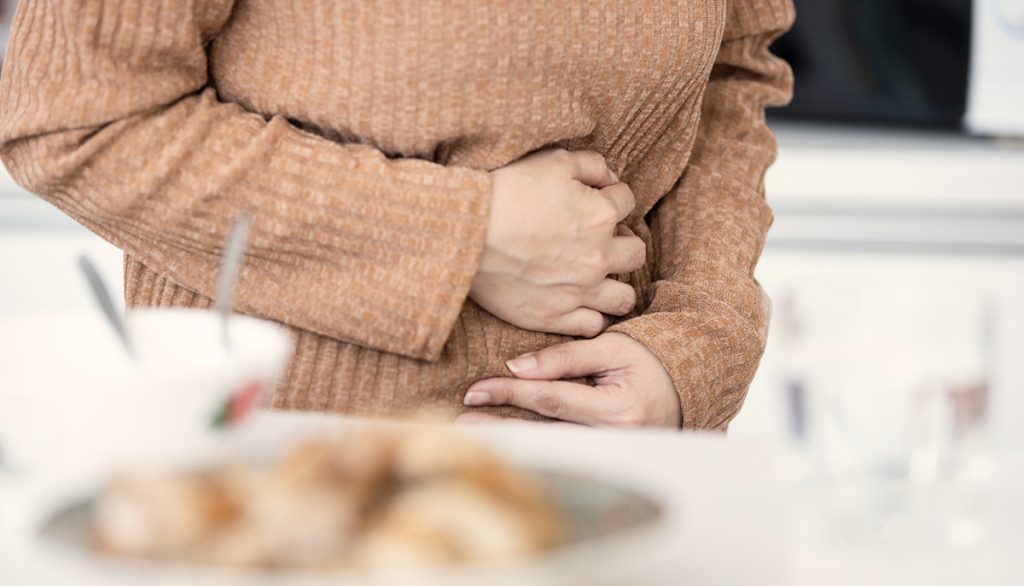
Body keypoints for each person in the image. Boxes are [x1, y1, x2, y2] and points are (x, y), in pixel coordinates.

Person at [0, 0, 794, 430]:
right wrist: (462, 236)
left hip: (609, 480)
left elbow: (732, 74)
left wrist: (700, 340)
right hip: (283, 487)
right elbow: (77, 122)